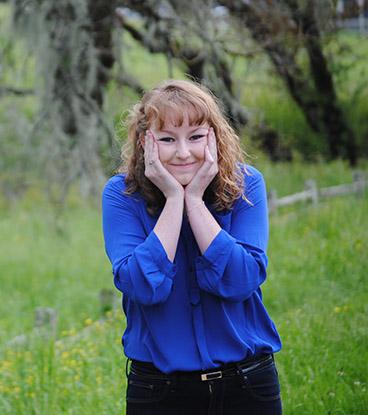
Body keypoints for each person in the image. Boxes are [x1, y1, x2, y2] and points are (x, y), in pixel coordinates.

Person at [102, 79, 282, 415]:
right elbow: (142, 285)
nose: (184, 152)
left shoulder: (246, 185)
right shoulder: (121, 196)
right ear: (146, 143)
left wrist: (195, 201)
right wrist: (174, 199)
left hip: (247, 384)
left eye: (196, 137)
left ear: (214, 137)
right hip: (160, 392)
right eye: (168, 139)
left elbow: (242, 279)